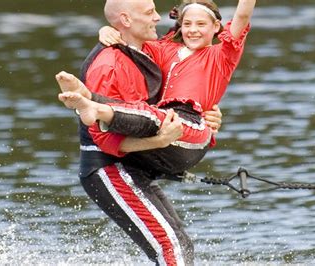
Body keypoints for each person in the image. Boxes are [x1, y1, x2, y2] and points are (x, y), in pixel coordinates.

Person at [62, 0, 223, 265]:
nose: (158, 18)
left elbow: (180, 88)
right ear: (126, 20)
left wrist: (209, 112)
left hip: (137, 165)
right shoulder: (108, 65)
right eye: (150, 13)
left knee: (179, 242)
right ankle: (93, 103)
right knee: (169, 246)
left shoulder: (149, 49)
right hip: (108, 168)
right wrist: (161, 140)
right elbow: (104, 140)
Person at [57, 0, 256, 177]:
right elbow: (130, 39)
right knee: (145, 112)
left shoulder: (221, 56)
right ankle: (90, 98)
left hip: (194, 126)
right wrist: (108, 30)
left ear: (216, 27)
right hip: (163, 119)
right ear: (180, 26)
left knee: (159, 116)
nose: (193, 30)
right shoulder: (164, 49)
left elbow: (242, 15)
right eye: (187, 24)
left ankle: (95, 107)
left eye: (201, 24)